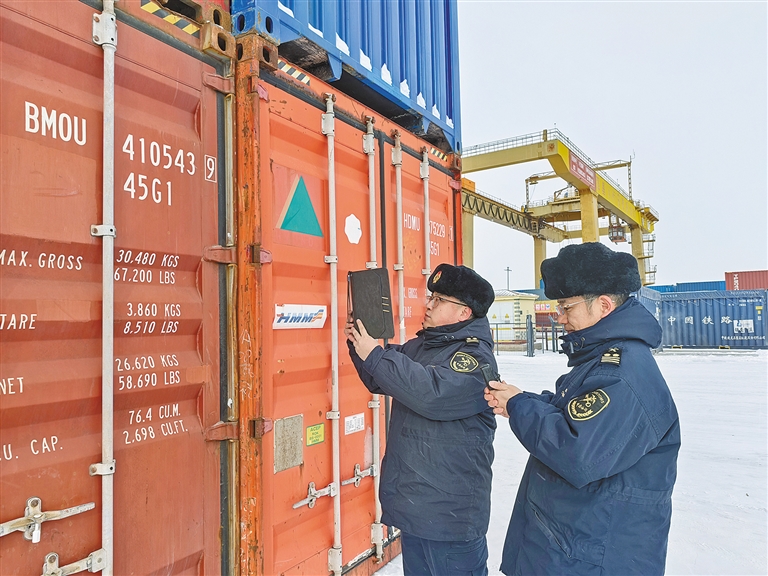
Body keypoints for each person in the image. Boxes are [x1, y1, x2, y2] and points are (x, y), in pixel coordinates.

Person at [485, 242, 680, 576]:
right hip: (577, 544)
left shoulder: (620, 374)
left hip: (591, 556)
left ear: (603, 305)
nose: (560, 318)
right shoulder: (604, 359)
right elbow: (574, 414)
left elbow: (576, 451)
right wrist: (521, 400)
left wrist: (518, 407)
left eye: (566, 307)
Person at [345, 263, 497, 576]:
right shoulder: (423, 346)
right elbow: (380, 377)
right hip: (417, 511)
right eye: (431, 297)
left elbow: (431, 393)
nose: (428, 304)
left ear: (464, 312)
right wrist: (360, 345)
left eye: (439, 300)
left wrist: (375, 354)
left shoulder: (474, 359)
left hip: (451, 520)